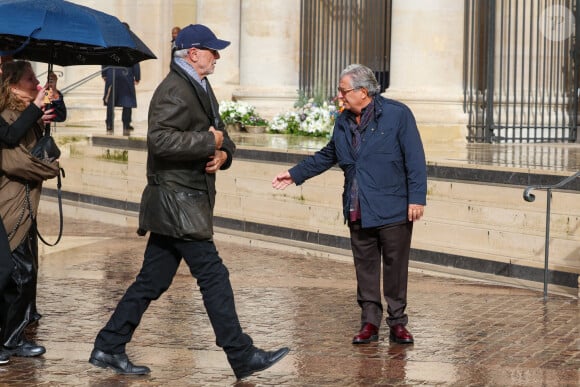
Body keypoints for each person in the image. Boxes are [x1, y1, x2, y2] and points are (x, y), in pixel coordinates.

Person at [89, 24, 289, 380]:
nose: (218, 57)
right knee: (213, 275)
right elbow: (160, 141)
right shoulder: (174, 90)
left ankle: (108, 345)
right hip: (177, 201)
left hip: (187, 199)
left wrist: (224, 153)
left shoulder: (199, 85)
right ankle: (241, 355)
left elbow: (220, 133)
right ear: (193, 53)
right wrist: (206, 142)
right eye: (213, 50)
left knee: (151, 281)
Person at [272, 64, 427, 346]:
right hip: (358, 204)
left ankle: (397, 323)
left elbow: (414, 158)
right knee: (365, 267)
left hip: (393, 204)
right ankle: (369, 322)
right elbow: (329, 153)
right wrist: (295, 174)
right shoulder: (343, 120)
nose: (339, 97)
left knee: (395, 267)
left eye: (343, 91)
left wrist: (417, 198)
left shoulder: (397, 114)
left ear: (362, 92)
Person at [0, 60, 61, 361]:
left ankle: (13, 337)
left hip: (25, 205)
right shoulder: (8, 115)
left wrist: (45, 108)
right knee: (17, 274)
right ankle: (10, 339)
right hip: (11, 206)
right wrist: (50, 169)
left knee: (25, 273)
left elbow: (40, 145)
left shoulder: (25, 115)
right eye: (29, 79)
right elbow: (16, 160)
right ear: (12, 83)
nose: (35, 84)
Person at [102, 23, 140, 135]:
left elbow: (104, 56)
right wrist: (137, 76)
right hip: (126, 74)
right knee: (126, 100)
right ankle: (126, 124)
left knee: (111, 101)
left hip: (112, 72)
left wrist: (104, 72)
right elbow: (135, 60)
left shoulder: (111, 40)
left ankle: (109, 124)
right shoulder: (131, 43)